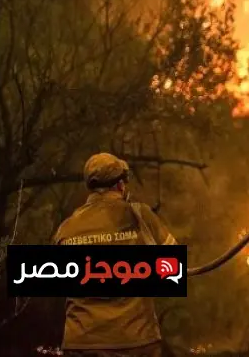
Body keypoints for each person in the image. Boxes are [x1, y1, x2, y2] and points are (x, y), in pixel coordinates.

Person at [52, 153, 177, 357]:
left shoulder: (66, 228)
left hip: (82, 344)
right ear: (120, 185)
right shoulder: (140, 216)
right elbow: (173, 270)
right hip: (136, 342)